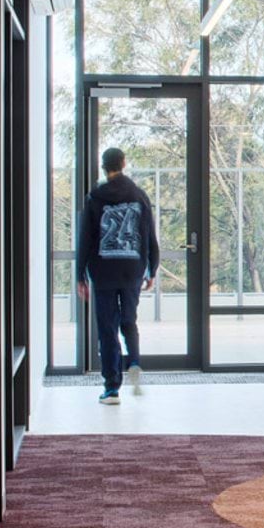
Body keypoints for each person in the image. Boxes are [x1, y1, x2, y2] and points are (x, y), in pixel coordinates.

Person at [75, 147, 161, 405]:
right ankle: (134, 361)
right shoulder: (139, 195)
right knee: (128, 320)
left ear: (104, 167)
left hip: (103, 271)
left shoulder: (95, 197)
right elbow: (149, 235)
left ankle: (112, 388)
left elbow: (86, 238)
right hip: (132, 268)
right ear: (123, 164)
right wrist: (152, 269)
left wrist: (80, 274)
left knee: (107, 328)